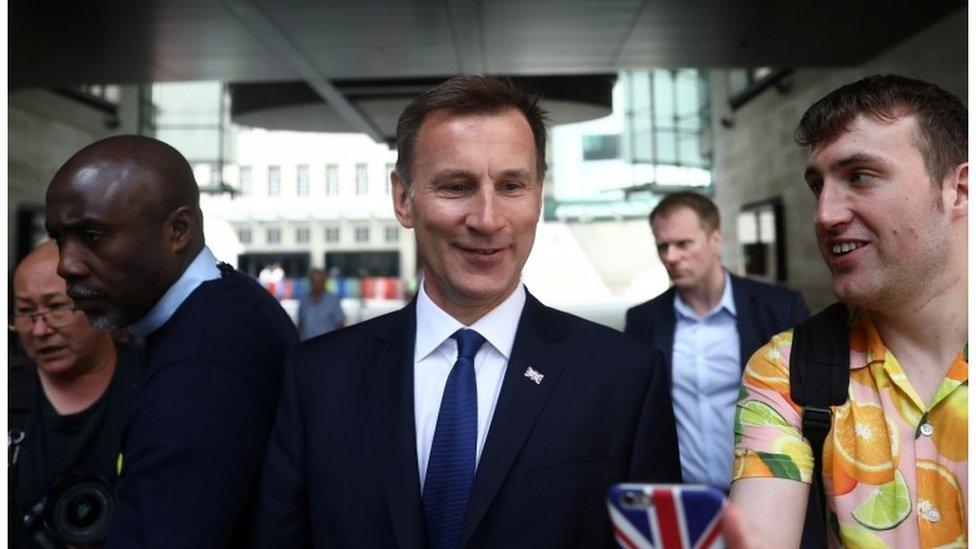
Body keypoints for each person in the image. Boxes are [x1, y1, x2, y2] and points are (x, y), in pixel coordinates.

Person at [250, 76, 682, 547]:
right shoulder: (318, 379)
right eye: (456, 186)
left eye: (512, 185)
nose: (487, 219)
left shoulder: (623, 379)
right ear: (402, 199)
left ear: (540, 194)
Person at [724, 75, 967, 547]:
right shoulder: (787, 370)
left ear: (957, 189)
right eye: (818, 185)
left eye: (860, 176)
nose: (823, 214)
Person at [44, 135, 299, 548]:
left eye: (91, 235)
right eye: (59, 238)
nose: (66, 264)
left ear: (178, 230)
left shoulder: (198, 370)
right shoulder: (234, 306)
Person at [624, 192, 808, 489]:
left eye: (683, 244)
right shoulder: (643, 321)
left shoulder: (779, 309)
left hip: (764, 492)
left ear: (715, 239)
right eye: (663, 246)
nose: (671, 257)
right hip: (683, 498)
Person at [8, 242, 142, 549]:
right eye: (26, 313)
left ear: (100, 303)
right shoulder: (10, 392)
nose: (40, 329)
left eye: (56, 308)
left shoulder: (154, 384)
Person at [297, 268, 346, 340]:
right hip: (307, 345)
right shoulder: (304, 300)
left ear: (324, 282)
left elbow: (340, 324)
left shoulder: (333, 300)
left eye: (319, 281)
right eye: (314, 281)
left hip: (327, 345)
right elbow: (301, 324)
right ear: (311, 282)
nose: (317, 284)